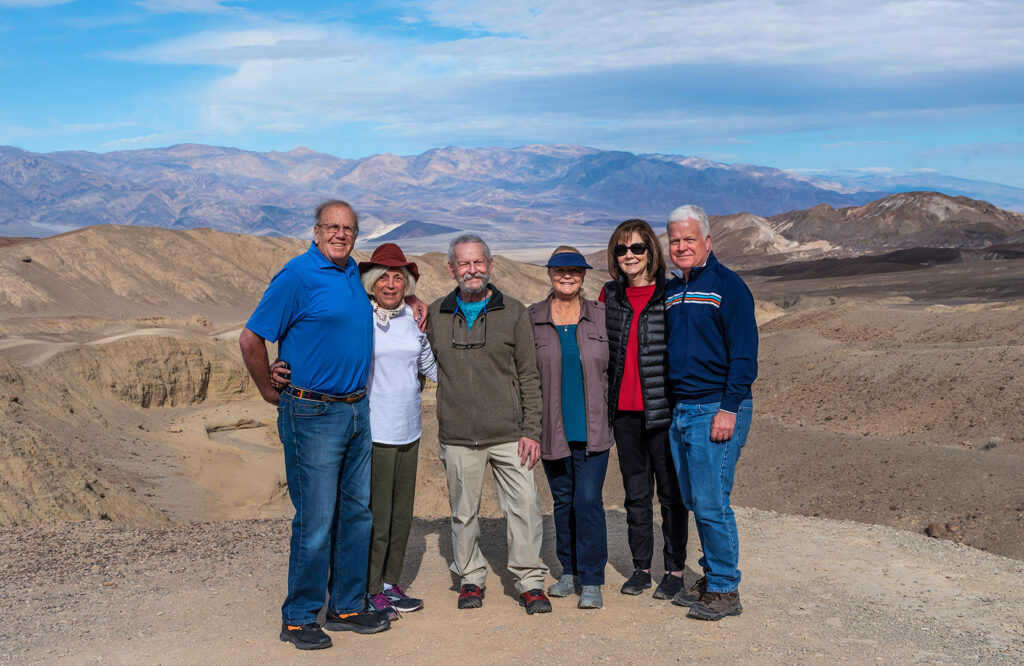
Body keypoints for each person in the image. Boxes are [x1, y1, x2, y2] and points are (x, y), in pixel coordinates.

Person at [239, 200, 397, 650]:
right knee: (315, 520)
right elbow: (251, 337)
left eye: (348, 228)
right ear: (315, 231)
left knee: (356, 514)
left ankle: (346, 605)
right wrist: (270, 390)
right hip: (311, 412)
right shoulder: (297, 275)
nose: (340, 234)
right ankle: (298, 617)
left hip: (354, 410)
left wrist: (414, 299)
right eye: (332, 227)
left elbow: (389, 289)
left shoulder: (351, 274)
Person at [270, 243, 436, 620]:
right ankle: (369, 587)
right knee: (371, 516)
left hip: (409, 428)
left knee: (400, 515)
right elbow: (321, 336)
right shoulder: (362, 313)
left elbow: (427, 363)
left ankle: (391, 584)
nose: (390, 284)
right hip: (374, 428)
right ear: (371, 282)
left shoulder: (412, 317)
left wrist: (414, 301)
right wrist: (278, 368)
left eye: (398, 278)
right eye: (383, 278)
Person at [426, 233, 551, 615]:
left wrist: (531, 429)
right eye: (463, 263)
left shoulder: (513, 312)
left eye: (478, 262)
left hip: (511, 434)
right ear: (451, 269)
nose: (472, 270)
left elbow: (529, 375)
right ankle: (470, 578)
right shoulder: (435, 313)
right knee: (463, 511)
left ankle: (530, 581)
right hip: (459, 435)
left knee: (526, 506)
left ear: (491, 265)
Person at [663, 204, 758, 621]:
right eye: (675, 240)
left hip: (715, 408)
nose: (682, 246)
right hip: (682, 410)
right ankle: (711, 575)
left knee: (712, 501)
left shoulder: (728, 286)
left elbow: (744, 355)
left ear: (707, 241)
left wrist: (729, 408)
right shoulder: (672, 290)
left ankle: (725, 588)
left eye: (689, 239)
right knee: (693, 498)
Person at [601, 219, 689, 600]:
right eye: (622, 250)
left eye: (637, 248)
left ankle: (674, 570)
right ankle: (641, 568)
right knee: (636, 495)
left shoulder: (671, 294)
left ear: (651, 251)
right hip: (624, 413)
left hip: (663, 412)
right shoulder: (609, 296)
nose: (629, 256)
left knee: (671, 496)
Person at [528, 246, 612, 610]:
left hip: (594, 427)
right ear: (549, 274)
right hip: (552, 428)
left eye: (575, 270)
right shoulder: (532, 318)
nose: (567, 275)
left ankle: (592, 578)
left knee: (588, 499)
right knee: (562, 500)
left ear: (583, 275)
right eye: (560, 269)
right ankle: (570, 571)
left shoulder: (601, 317)